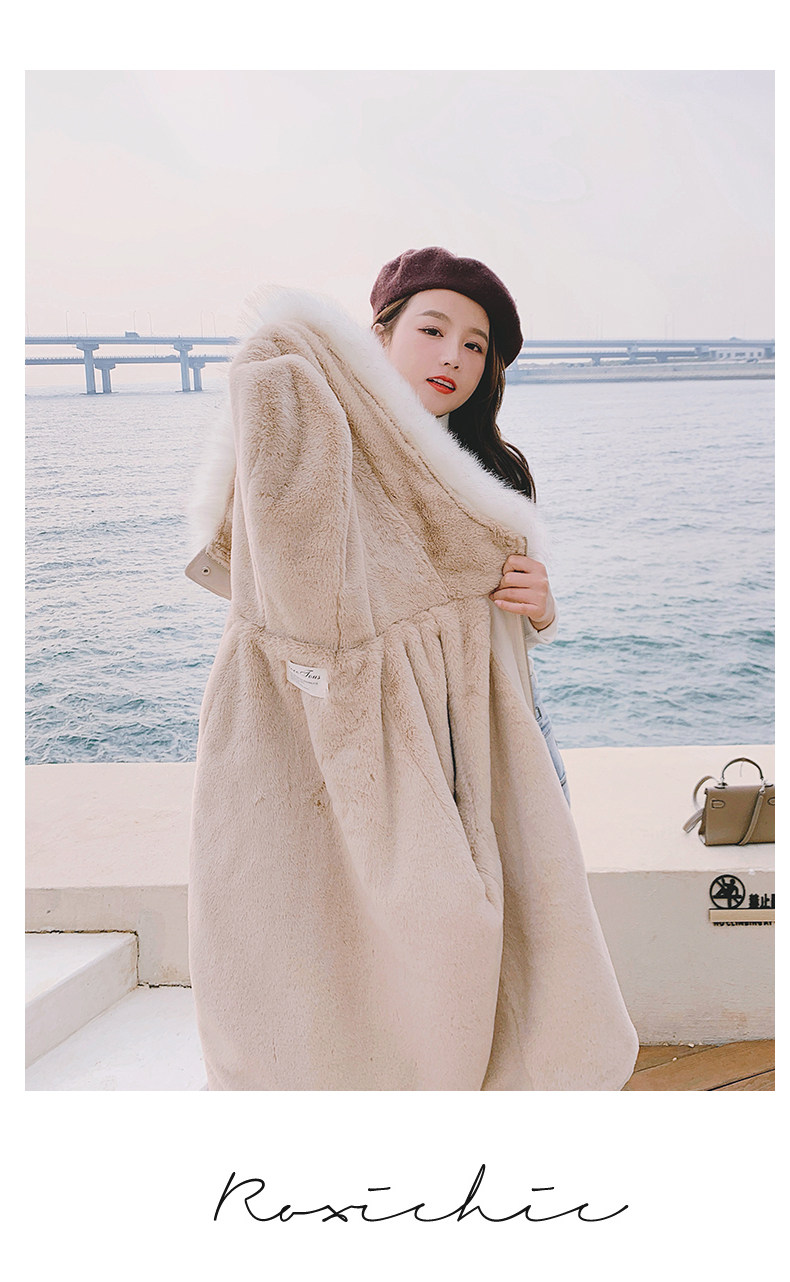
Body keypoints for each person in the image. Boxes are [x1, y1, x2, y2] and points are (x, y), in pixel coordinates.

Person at [185, 245, 638, 1091]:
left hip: (509, 732)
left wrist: (543, 605)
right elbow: (292, 582)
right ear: (379, 334)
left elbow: (502, 624)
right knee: (420, 944)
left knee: (532, 933)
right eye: (432, 330)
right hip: (397, 736)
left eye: (475, 345)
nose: (453, 356)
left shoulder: (492, 471)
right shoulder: (333, 446)